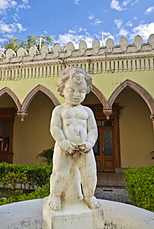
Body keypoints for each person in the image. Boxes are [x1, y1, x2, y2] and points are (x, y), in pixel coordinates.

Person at [48, 66, 100, 211]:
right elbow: (55, 128)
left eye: (81, 91)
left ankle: (89, 196)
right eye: (71, 90)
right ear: (62, 90)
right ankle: (55, 195)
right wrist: (63, 142)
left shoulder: (87, 111)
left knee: (90, 174)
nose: (77, 94)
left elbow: (93, 130)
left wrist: (89, 143)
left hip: (84, 148)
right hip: (64, 147)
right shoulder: (59, 110)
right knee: (59, 173)